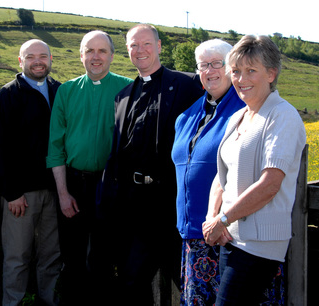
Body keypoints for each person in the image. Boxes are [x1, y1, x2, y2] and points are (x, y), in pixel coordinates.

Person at [100, 24, 204, 305]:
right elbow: (117, 154)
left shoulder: (188, 84)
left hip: (172, 202)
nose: (140, 50)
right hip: (134, 205)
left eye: (146, 44)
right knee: (132, 280)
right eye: (133, 45)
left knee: (186, 281)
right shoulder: (121, 97)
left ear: (158, 47)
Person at [202, 35, 306, 305]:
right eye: (235, 71)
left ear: (271, 74)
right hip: (229, 239)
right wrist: (212, 217)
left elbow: (270, 184)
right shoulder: (238, 117)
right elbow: (221, 176)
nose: (240, 79)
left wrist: (222, 219)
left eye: (251, 71)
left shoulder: (282, 115)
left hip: (259, 245)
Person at [46, 30, 133, 305]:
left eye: (102, 51)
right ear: (81, 55)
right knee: (72, 258)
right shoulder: (66, 91)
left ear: (111, 55)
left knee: (105, 258)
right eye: (90, 51)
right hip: (74, 185)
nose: (96, 57)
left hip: (111, 186)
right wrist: (62, 193)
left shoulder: (128, 89)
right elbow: (55, 147)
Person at [171, 39, 245, 305]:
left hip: (230, 235)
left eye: (217, 63)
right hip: (193, 232)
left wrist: (225, 220)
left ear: (232, 67)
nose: (210, 70)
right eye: (203, 65)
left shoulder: (245, 110)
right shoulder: (187, 117)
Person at [0, 39, 62, 305]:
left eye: (43, 56)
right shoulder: (8, 94)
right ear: (20, 61)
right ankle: (12, 303)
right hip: (20, 196)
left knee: (51, 255)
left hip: (55, 192)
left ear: (51, 58)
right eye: (31, 56)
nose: (38, 61)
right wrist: (12, 193)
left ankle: (48, 302)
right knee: (17, 257)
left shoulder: (59, 91)